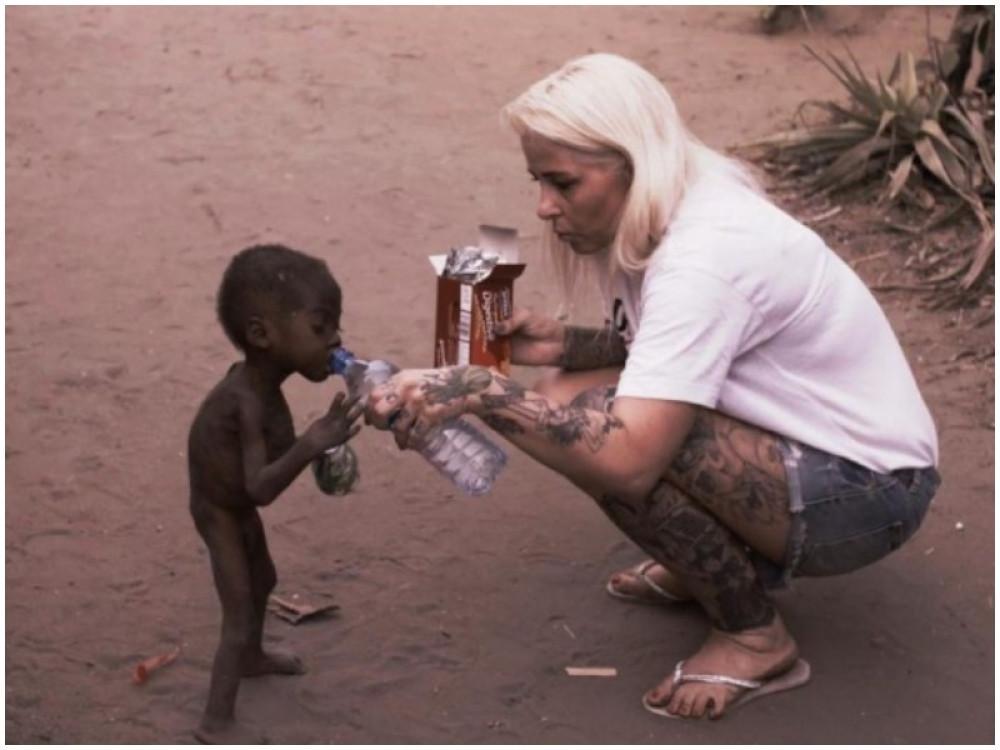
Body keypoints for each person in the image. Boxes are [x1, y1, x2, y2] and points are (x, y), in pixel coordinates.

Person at [363, 53, 940, 720]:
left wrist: (479, 390)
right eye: (538, 181)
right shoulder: (673, 202)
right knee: (564, 385)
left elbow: (631, 461)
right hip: (814, 447)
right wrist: (561, 341)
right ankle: (712, 561)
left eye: (562, 183)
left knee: (590, 420)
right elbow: (679, 349)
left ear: (634, 164)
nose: (544, 207)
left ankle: (754, 636)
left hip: (869, 492)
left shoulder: (705, 257)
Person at [187, 244, 363, 743]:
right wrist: (313, 443)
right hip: (220, 508)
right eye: (320, 327)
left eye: (334, 327)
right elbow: (260, 488)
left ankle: (252, 658)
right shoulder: (244, 401)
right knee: (239, 611)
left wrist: (327, 448)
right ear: (261, 334)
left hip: (236, 499)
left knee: (264, 576)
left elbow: (274, 457)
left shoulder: (266, 387)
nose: (335, 341)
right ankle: (214, 720)